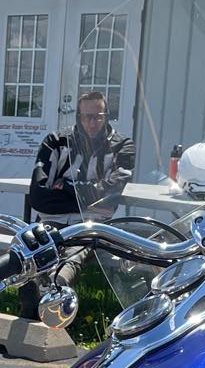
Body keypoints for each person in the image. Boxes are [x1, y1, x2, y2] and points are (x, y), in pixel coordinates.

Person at [19, 89, 134, 318]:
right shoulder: (55, 141)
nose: (92, 123)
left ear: (106, 115)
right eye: (86, 117)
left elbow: (108, 201)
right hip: (52, 222)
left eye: (98, 116)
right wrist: (86, 193)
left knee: (73, 254)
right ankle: (35, 305)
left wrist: (65, 186)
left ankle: (50, 297)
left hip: (92, 226)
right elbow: (39, 198)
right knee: (30, 249)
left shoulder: (123, 146)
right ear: (78, 118)